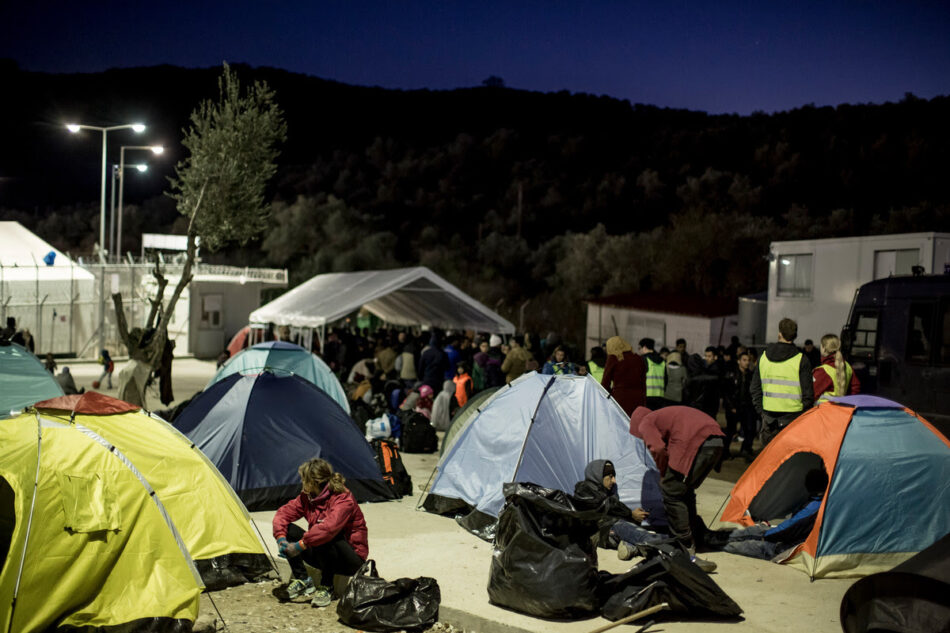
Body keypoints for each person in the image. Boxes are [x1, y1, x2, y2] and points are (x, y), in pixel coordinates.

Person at [629, 405, 724, 572]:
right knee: (684, 490)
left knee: (670, 491)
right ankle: (696, 536)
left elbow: (657, 448)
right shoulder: (663, 417)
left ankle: (684, 547)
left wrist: (663, 471)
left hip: (696, 442)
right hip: (716, 441)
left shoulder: (645, 422)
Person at [272, 458, 368, 607]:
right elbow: (282, 515)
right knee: (289, 530)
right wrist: (281, 540)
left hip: (350, 560)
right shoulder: (307, 497)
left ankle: (327, 586)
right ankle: (303, 580)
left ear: (313, 482)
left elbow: (328, 529)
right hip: (324, 556)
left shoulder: (343, 498)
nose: (301, 482)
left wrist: (298, 547)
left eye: (303, 479)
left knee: (326, 534)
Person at [724, 469, 828, 561]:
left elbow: (788, 528)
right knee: (751, 531)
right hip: (787, 539)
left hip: (785, 547)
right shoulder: (819, 501)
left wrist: (766, 535)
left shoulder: (814, 507)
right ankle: (720, 538)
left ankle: (718, 542)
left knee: (744, 544)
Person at [572, 459, 666, 560]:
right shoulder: (584, 491)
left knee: (624, 528)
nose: (614, 481)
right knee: (621, 526)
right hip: (597, 535)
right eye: (610, 477)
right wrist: (631, 514)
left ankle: (631, 548)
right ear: (598, 476)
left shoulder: (605, 491)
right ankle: (660, 541)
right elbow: (607, 504)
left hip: (609, 535)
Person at [751, 318, 814, 446]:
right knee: (789, 463)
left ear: (779, 333)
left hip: (768, 421)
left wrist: (762, 412)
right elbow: (808, 395)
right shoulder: (801, 359)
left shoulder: (763, 357)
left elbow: (754, 388)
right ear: (795, 336)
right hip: (792, 421)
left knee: (769, 463)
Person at [601, 336, 646, 416]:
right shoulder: (638, 358)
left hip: (620, 398)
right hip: (638, 398)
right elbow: (643, 382)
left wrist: (610, 396)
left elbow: (605, 383)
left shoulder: (613, 358)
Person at [813, 334, 860, 401]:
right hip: (842, 409)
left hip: (824, 410)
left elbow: (811, 394)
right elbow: (855, 388)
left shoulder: (822, 371)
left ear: (823, 348)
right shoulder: (847, 366)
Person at [639, 338, 666, 409]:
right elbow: (666, 379)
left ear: (644, 347)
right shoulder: (662, 361)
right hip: (660, 396)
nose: (639, 350)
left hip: (646, 396)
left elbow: (639, 378)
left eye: (640, 348)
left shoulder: (643, 359)